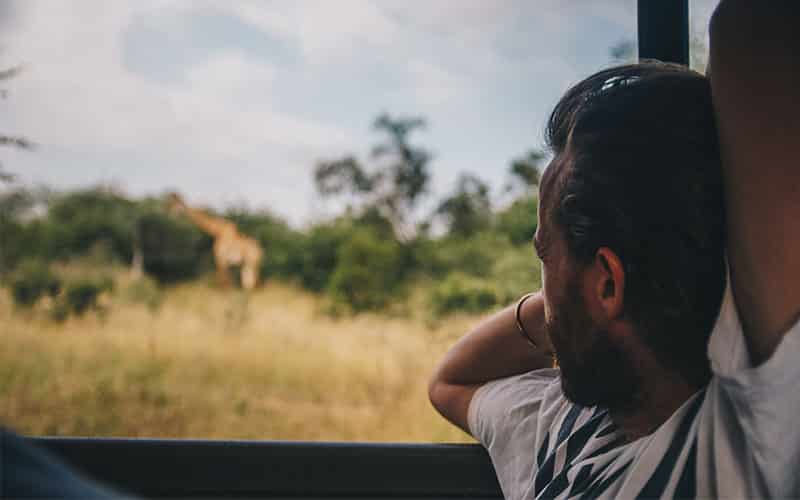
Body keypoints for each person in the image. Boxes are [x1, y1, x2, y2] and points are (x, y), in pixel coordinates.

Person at [430, 2, 800, 498]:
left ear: (607, 280)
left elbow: (755, 28)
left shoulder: (746, 438)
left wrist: (581, 301)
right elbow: (452, 382)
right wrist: (617, 280)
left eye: (544, 256)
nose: (542, 284)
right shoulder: (562, 425)